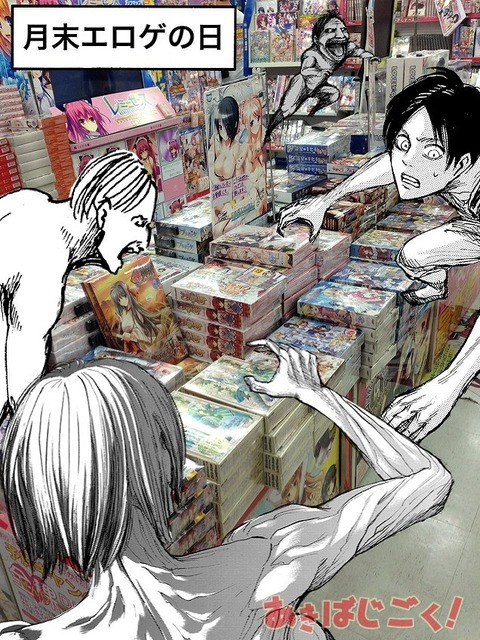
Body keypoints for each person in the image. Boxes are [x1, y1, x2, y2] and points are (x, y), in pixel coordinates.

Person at [0, 348, 451, 639]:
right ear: (167, 460)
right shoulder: (269, 558)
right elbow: (429, 480)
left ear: (34, 503)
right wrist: (316, 394)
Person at [279, 67, 480, 441]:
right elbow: (389, 164)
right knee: (414, 255)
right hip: (471, 221)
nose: (408, 165)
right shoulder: (437, 163)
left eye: (431, 153)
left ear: (465, 162)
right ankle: (435, 281)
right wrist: (325, 201)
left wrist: (450, 383)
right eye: (404, 144)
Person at [0, 150, 156, 423]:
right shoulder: (44, 257)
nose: (144, 241)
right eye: (138, 222)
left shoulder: (32, 204)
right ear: (103, 211)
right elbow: (23, 398)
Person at [264, 10, 378, 142]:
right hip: (303, 84)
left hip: (319, 85)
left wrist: (371, 56)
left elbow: (359, 51)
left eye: (342, 30)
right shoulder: (312, 54)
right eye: (330, 31)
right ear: (316, 40)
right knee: (287, 110)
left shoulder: (346, 47)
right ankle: (269, 132)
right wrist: (319, 73)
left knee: (334, 94)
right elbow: (305, 71)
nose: (340, 35)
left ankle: (314, 109)